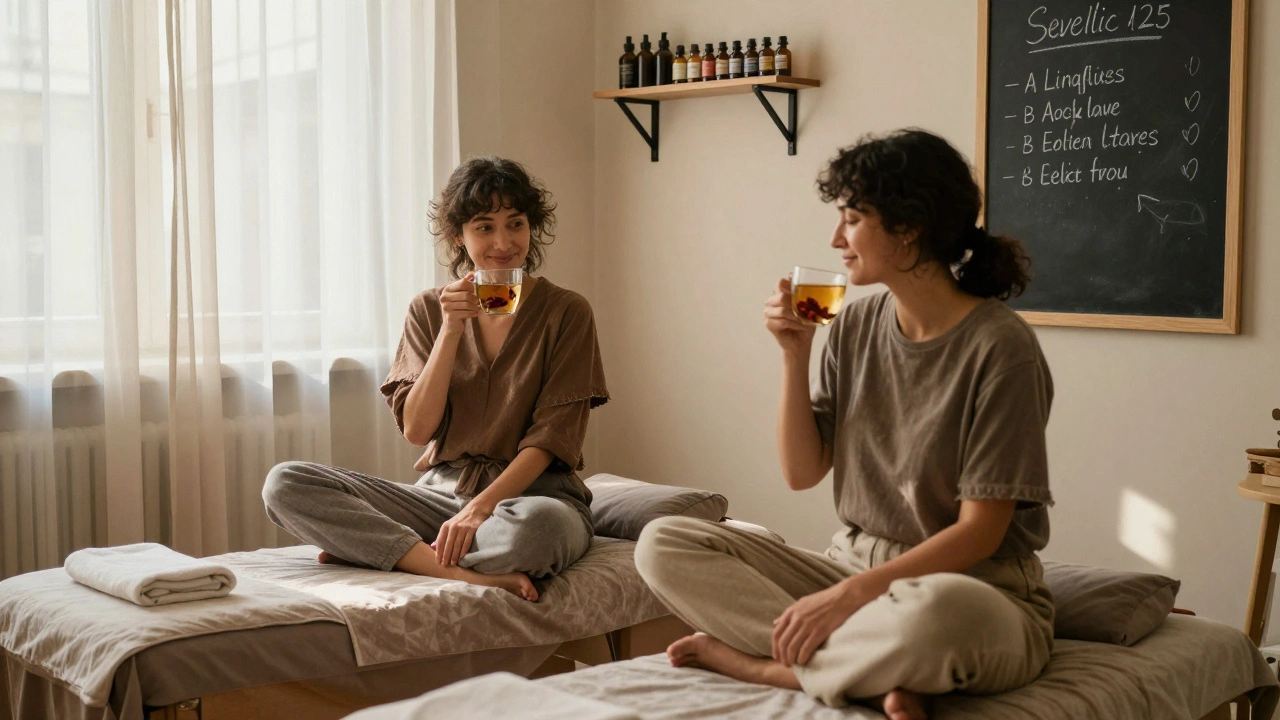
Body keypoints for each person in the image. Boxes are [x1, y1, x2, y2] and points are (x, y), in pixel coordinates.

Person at [634, 129, 1055, 719]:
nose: (837, 239)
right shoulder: (855, 327)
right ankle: (872, 669)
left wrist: (850, 597)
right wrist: (793, 354)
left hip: (975, 588)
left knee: (933, 620)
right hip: (850, 565)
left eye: (852, 219)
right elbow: (802, 472)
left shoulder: (1001, 349)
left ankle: (769, 667)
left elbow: (981, 534)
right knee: (662, 541)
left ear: (909, 227)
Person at [263, 156, 608, 602]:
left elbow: (551, 439)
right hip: (441, 498)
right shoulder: (428, 310)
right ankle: (454, 571)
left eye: (515, 224)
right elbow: (418, 430)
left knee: (536, 536)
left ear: (530, 228)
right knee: (286, 482)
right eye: (484, 227)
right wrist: (450, 331)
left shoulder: (566, 311)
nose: (503, 242)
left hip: (534, 499)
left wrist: (482, 509)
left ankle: (386, 552)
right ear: (457, 236)